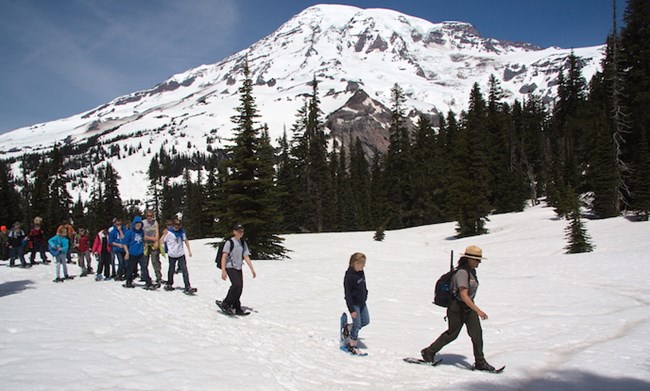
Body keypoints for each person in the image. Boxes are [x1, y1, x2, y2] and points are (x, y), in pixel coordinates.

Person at [420, 245, 495, 371]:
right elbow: (463, 295)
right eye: (477, 259)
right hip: (457, 307)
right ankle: (428, 352)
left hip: (467, 307)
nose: (479, 262)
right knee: (452, 334)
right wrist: (478, 311)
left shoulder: (471, 272)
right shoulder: (462, 273)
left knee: (477, 334)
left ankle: (480, 362)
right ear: (469, 259)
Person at [219, 224, 256, 315]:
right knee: (236, 284)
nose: (241, 233)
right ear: (234, 232)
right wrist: (223, 271)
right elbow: (224, 257)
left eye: (242, 231)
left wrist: (252, 269)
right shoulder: (229, 243)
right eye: (239, 231)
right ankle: (226, 303)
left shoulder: (243, 243)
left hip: (238, 267)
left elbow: (246, 256)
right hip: (230, 267)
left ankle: (237, 306)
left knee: (240, 288)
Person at [343, 252, 370, 355]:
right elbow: (348, 295)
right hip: (354, 304)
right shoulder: (349, 276)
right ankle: (352, 344)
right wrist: (352, 310)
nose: (363, 266)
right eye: (362, 264)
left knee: (366, 321)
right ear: (355, 263)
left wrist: (366, 293)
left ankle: (348, 327)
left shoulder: (360, 272)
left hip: (362, 302)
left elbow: (363, 285)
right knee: (357, 324)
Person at [121, 216, 156, 289]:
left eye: (140, 224)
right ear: (134, 224)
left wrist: (145, 246)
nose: (138, 225)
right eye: (137, 224)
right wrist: (127, 253)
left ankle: (148, 283)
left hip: (140, 254)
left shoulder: (142, 232)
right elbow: (125, 243)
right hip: (132, 253)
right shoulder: (129, 232)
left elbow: (144, 240)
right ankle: (128, 281)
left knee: (144, 268)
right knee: (130, 269)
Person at [161, 218, 194, 293]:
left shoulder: (182, 232)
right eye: (175, 225)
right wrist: (163, 235)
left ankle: (187, 286)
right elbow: (161, 241)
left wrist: (189, 251)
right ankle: (169, 283)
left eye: (178, 225)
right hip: (172, 254)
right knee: (171, 269)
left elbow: (185, 240)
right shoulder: (169, 233)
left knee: (184, 270)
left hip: (180, 254)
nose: (177, 227)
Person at [142, 209, 162, 285]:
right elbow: (143, 236)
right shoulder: (143, 223)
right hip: (145, 244)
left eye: (151, 216)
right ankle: (144, 276)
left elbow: (157, 235)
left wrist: (155, 240)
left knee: (155, 261)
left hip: (153, 244)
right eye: (148, 216)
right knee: (144, 261)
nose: (150, 217)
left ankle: (158, 277)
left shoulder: (155, 222)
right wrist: (152, 239)